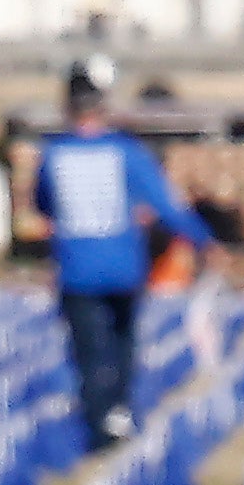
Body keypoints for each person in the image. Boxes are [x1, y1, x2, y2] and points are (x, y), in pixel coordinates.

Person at [23, 65, 160, 440]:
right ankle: (116, 411)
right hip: (121, 267)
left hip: (78, 269)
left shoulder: (55, 154)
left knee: (89, 349)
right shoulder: (124, 152)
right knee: (121, 346)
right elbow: (163, 202)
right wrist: (203, 239)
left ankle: (99, 421)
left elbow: (42, 202)